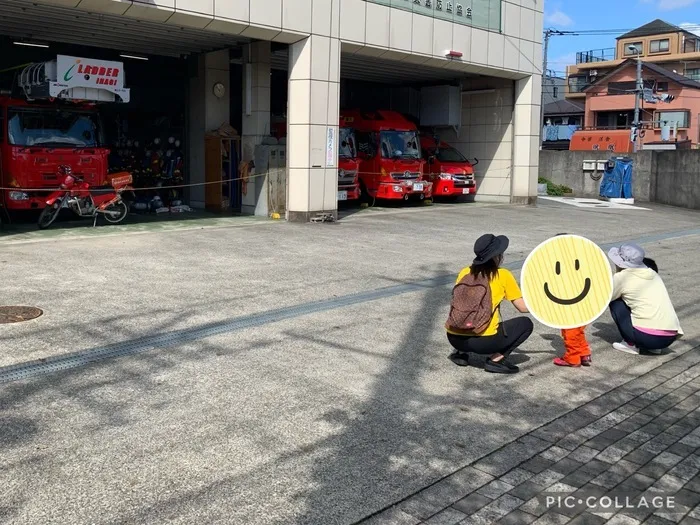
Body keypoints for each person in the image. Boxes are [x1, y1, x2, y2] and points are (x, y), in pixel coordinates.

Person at [446, 234, 533, 374]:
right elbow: (522, 307)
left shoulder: (465, 271)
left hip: (454, 338)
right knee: (526, 324)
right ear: (496, 256)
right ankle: (495, 360)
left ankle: (460, 353)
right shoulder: (503, 275)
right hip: (484, 343)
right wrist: (545, 306)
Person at [608, 244, 682, 355]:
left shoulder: (622, 277)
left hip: (648, 337)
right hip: (669, 338)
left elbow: (606, 295)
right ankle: (651, 348)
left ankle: (630, 344)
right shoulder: (652, 273)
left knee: (615, 302)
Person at [552, 233, 592, 368]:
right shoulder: (581, 260)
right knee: (579, 330)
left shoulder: (561, 264)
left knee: (570, 332)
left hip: (570, 304)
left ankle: (572, 358)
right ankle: (584, 353)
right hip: (584, 304)